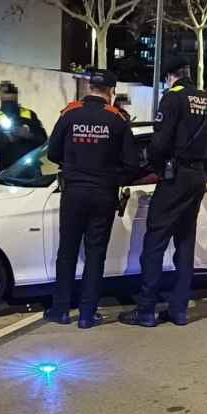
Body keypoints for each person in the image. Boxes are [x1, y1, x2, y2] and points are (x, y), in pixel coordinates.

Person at [119, 56, 207, 328]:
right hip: (197, 177)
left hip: (175, 177)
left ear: (169, 77)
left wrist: (156, 167)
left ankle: (146, 310)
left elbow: (158, 144)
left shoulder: (172, 99)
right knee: (185, 242)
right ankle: (178, 310)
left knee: (154, 242)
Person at [44, 70, 139, 329]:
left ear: (89, 87)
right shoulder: (117, 119)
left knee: (67, 252)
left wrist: (74, 162)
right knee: (96, 254)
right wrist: (111, 175)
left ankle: (60, 310)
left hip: (73, 192)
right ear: (111, 89)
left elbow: (52, 153)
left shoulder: (70, 114)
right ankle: (87, 315)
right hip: (103, 194)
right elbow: (132, 163)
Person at [0, 82, 47, 174]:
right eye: (7, 92)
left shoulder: (30, 115)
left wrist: (29, 136)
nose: (10, 95)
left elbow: (44, 142)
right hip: (7, 171)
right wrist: (10, 138)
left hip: (30, 170)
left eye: (11, 92)